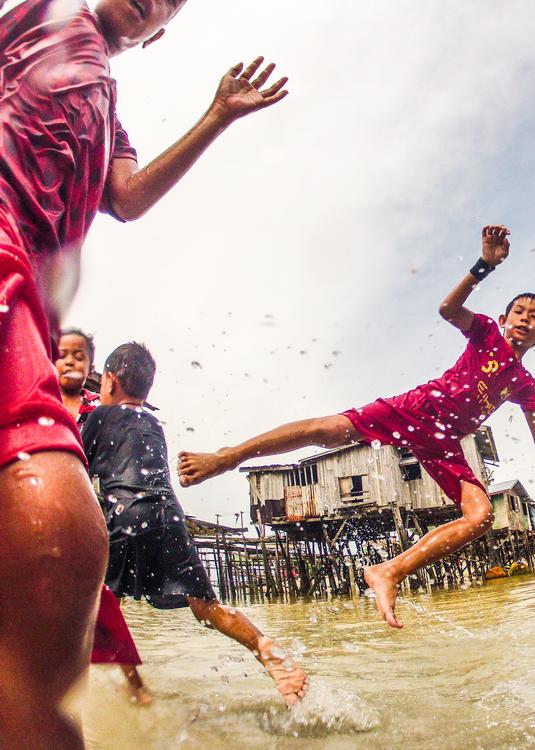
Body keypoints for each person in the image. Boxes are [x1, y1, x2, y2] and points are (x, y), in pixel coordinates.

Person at [0, 0, 288, 742]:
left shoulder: (113, 120)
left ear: (158, 35)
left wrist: (217, 116)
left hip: (31, 298)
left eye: (171, 3)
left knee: (63, 549)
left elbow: (126, 200)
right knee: (60, 531)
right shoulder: (40, 14)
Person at [178, 225, 535, 628]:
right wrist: (483, 266)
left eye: (534, 317)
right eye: (519, 312)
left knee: (481, 515)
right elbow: (448, 310)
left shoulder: (525, 384)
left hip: (445, 442)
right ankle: (228, 456)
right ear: (505, 318)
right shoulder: (486, 332)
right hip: (418, 408)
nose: (525, 319)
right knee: (327, 431)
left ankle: (389, 571)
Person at [81, 342, 309, 706]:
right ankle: (265, 647)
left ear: (109, 380)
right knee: (207, 609)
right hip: (170, 517)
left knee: (103, 609)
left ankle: (133, 691)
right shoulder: (153, 424)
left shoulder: (99, 417)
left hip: (124, 515)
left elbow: (76, 465)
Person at [56, 327, 149, 703]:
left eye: (79, 356)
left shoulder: (99, 408)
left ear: (93, 367)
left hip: (89, 509)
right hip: (45, 504)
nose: (70, 361)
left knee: (104, 599)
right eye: (62, 354)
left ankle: (134, 687)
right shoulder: (41, 398)